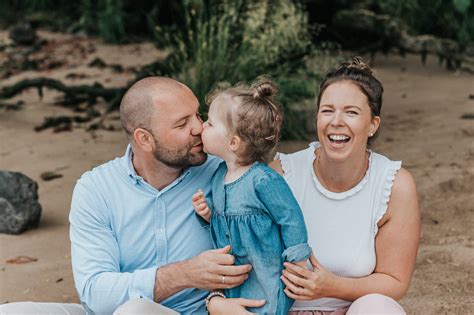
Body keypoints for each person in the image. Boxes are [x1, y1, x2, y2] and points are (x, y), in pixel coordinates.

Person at [0, 77, 265, 314]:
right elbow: (95, 295)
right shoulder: (96, 188)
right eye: (182, 123)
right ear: (145, 139)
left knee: (135, 311)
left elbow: (289, 173)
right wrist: (186, 274)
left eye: (198, 115)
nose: (199, 128)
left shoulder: (227, 172)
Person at [209, 57, 420, 314]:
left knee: (379, 308)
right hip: (280, 310)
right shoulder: (277, 176)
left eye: (351, 112)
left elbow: (394, 281)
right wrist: (216, 300)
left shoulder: (394, 184)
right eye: (327, 110)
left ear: (373, 124)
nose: (336, 121)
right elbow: (236, 246)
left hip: (351, 309)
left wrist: (332, 286)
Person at [192, 79, 312, 314]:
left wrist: (297, 259)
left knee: (260, 308)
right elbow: (226, 218)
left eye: (210, 123)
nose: (202, 127)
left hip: (264, 273)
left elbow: (290, 217)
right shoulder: (219, 175)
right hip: (234, 277)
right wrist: (208, 212)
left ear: (233, 142)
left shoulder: (262, 179)